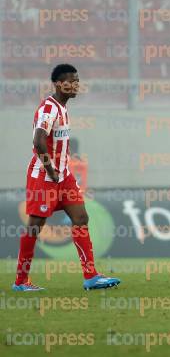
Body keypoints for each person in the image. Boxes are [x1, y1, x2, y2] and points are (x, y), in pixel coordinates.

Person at [13, 64, 121, 291]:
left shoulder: (63, 108)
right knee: (35, 227)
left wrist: (62, 173)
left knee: (81, 217)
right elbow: (38, 140)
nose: (75, 85)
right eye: (70, 81)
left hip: (64, 177)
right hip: (44, 176)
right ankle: (21, 281)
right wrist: (51, 171)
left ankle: (91, 276)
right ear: (58, 84)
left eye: (77, 81)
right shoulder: (48, 109)